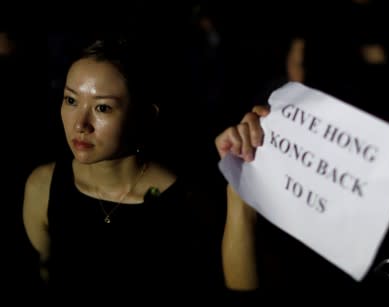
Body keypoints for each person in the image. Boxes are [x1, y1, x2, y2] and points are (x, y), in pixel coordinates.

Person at [22, 34, 268, 302]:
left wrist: (243, 188)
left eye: (102, 107)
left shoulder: (189, 203)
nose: (80, 123)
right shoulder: (43, 186)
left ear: (144, 116)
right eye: (71, 100)